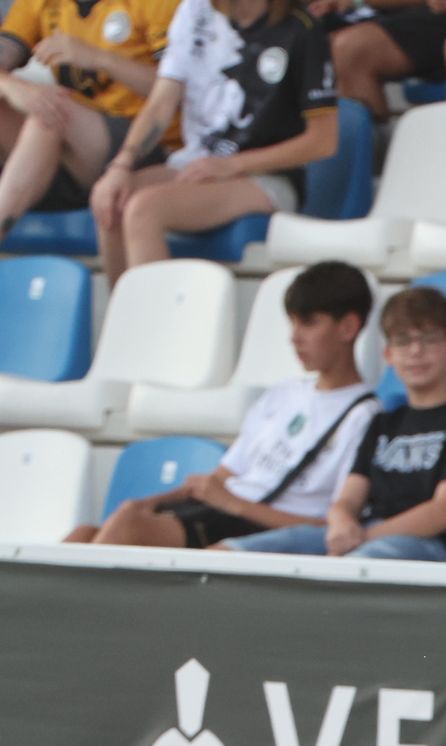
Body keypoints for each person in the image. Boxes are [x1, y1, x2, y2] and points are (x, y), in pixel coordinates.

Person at [71, 262, 379, 549]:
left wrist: (234, 504)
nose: (294, 338)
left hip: (261, 528)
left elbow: (333, 522)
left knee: (129, 531)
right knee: (85, 533)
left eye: (309, 323)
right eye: (293, 323)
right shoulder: (282, 394)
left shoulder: (365, 416)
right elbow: (221, 477)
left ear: (348, 327)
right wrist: (151, 501)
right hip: (224, 511)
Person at [225, 285, 446, 563]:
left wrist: (364, 537)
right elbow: (348, 498)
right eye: (403, 341)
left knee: (352, 566)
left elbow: (445, 512)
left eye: (430, 339)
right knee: (234, 553)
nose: (416, 351)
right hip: (369, 536)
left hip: (430, 547)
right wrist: (343, 521)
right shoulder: (384, 421)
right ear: (388, 355)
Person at [89, 0, 339, 283]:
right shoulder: (195, 12)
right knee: (112, 199)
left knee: (144, 209)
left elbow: (323, 141)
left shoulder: (301, 28)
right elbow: (160, 103)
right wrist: (120, 165)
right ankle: (125, 318)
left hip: (266, 177)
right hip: (199, 163)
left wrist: (233, 165)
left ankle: (153, 323)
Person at [0, 0, 180, 241]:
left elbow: (180, 92)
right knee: (37, 107)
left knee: (53, 112)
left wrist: (100, 59)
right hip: (71, 150)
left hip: (147, 146)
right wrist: (11, 86)